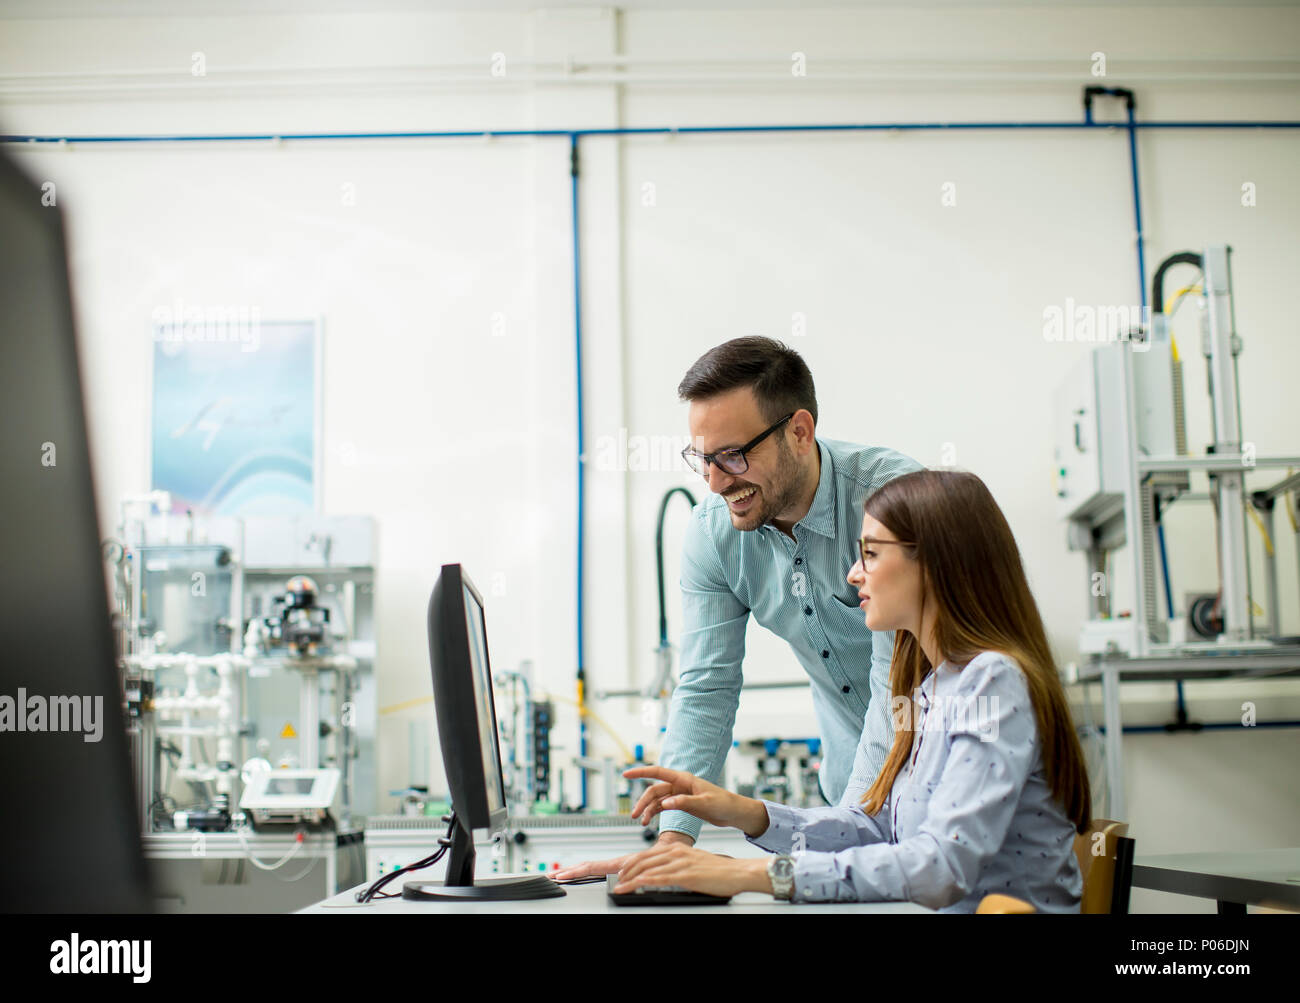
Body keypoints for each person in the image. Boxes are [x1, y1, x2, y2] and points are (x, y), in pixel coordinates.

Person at [609, 469, 1092, 912]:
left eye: (872, 554)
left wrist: (748, 874)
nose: (853, 573)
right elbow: (881, 831)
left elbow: (942, 866)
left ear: (937, 565)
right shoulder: (932, 688)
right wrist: (745, 813)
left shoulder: (993, 681)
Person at [556, 337, 922, 881]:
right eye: (703, 458)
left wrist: (846, 832)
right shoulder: (714, 534)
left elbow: (896, 682)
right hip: (848, 790)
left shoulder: (889, 500)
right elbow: (706, 686)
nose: (715, 481)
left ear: (799, 432)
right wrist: (672, 844)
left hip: (931, 782)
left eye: (733, 455)